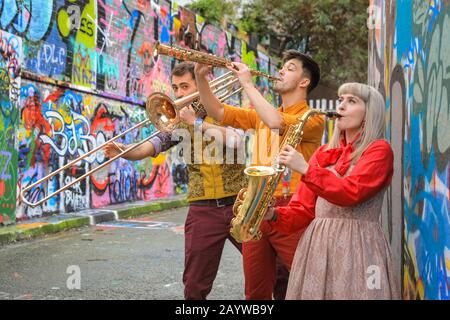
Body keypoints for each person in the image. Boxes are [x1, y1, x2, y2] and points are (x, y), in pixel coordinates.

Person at [104, 62, 247, 300]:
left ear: (201, 84)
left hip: (239, 204)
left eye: (185, 86)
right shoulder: (176, 122)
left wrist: (197, 123)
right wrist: (123, 150)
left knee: (269, 269)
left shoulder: (225, 111)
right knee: (194, 285)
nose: (179, 94)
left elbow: (235, 141)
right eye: (175, 87)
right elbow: (150, 147)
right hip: (203, 209)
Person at [194, 51, 325, 300]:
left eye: (289, 68)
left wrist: (247, 84)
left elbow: (276, 121)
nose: (281, 71)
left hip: (293, 208)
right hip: (256, 205)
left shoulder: (312, 118)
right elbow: (218, 111)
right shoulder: (263, 115)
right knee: (255, 291)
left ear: (304, 81)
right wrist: (202, 79)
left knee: (306, 283)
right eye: (282, 67)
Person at [265, 83, 400, 299]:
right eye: (341, 100)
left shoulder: (379, 150)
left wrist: (306, 169)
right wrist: (272, 214)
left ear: (369, 113)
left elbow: (350, 192)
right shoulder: (323, 153)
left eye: (351, 101)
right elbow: (304, 209)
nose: (342, 106)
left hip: (360, 248)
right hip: (318, 248)